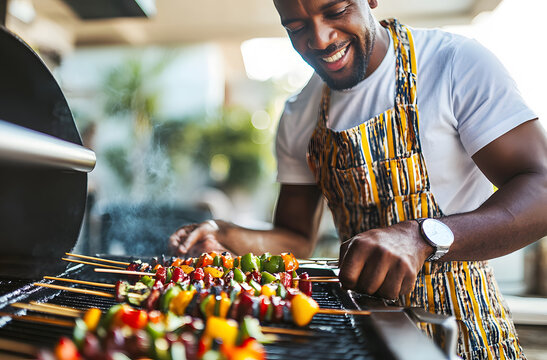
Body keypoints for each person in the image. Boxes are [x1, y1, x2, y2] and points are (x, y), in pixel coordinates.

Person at [169, 0, 547, 358]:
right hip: (360, 336)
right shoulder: (300, 113)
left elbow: (542, 189)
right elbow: (295, 239)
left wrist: (421, 236)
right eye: (296, 27)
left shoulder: (453, 63)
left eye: (335, 10)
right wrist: (228, 235)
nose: (319, 39)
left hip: (462, 333)